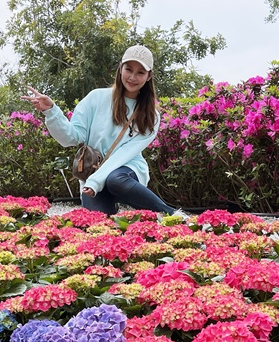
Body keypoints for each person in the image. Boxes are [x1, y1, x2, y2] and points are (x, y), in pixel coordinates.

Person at [22, 44, 186, 218]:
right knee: (98, 226)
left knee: (115, 179)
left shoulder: (151, 116)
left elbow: (124, 153)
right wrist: (51, 111)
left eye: (140, 72)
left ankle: (173, 214)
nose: (132, 77)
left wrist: (95, 182)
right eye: (128, 69)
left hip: (126, 171)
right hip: (93, 172)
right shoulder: (96, 98)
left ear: (149, 76)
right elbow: (70, 137)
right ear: (120, 68)